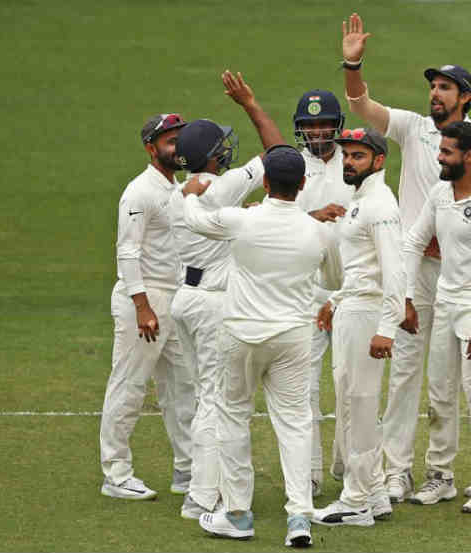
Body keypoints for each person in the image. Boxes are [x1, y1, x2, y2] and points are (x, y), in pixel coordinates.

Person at [340, 12, 471, 503]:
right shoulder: (413, 127)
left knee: (457, 381)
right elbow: (362, 106)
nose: (435, 94)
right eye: (433, 87)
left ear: (465, 97)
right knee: (405, 370)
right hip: (416, 267)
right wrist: (352, 65)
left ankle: (456, 474)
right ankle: (398, 470)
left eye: (445, 88)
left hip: (466, 269)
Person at [183, 145, 337, 548]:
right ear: (302, 185)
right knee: (295, 423)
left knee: (233, 416)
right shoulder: (318, 231)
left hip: (240, 335)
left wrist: (190, 194)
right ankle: (299, 517)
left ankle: (237, 514)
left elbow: (194, 220)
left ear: (266, 183)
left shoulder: (242, 220)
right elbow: (334, 280)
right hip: (293, 337)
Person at [169, 71, 286, 520]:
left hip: (186, 299)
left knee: (205, 397)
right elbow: (280, 154)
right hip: (214, 303)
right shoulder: (223, 186)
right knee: (217, 401)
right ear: (214, 157)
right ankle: (202, 496)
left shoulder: (182, 193)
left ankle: (200, 486)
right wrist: (251, 105)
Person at [402, 121, 471, 513]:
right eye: (440, 150)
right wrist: (406, 296)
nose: (439, 158)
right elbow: (413, 242)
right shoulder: (439, 194)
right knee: (440, 391)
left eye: (447, 152)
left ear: (470, 155)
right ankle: (440, 476)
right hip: (445, 301)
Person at [99, 113, 195, 501]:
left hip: (174, 300)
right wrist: (142, 306)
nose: (178, 147)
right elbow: (127, 251)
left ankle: (188, 470)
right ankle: (116, 474)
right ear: (151, 148)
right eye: (170, 141)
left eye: (180, 140)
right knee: (129, 386)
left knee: (183, 388)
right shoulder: (139, 192)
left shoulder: (177, 188)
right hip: (145, 301)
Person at [311, 128, 405, 526]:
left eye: (358, 156)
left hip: (368, 314)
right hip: (354, 308)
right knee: (353, 401)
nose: (349, 162)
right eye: (347, 155)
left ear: (379, 161)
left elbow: (394, 271)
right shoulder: (360, 201)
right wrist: (336, 300)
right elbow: (361, 268)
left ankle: (356, 501)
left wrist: (388, 327)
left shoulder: (379, 205)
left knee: (359, 404)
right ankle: (376, 491)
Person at [292, 89, 354, 494]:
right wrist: (312, 216)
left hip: (352, 290)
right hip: (307, 292)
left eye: (324, 124)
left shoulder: (356, 160)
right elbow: (278, 219)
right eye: (309, 125)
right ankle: (309, 472)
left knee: (351, 384)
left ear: (337, 126)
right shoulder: (292, 165)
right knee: (305, 386)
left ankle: (349, 465)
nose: (317, 131)